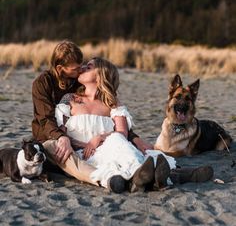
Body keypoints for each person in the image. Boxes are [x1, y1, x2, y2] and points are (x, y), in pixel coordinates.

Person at [54, 57, 214, 193]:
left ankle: (150, 176)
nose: (82, 68)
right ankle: (169, 177)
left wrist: (99, 138)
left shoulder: (112, 103)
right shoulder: (70, 99)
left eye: (88, 67)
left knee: (117, 141)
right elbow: (61, 134)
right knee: (118, 155)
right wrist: (84, 144)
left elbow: (122, 133)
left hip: (111, 146)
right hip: (86, 154)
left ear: (100, 75)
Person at [31, 40, 153, 190]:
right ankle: (106, 178)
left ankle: (139, 175)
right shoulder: (43, 84)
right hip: (48, 136)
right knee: (60, 149)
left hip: (92, 145)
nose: (81, 69)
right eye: (77, 68)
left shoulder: (79, 82)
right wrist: (64, 138)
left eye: (84, 65)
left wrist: (134, 138)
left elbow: (118, 128)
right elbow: (45, 120)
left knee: (117, 144)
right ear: (60, 68)